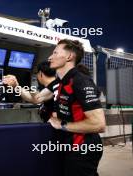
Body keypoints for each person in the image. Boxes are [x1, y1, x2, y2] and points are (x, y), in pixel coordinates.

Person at [48, 39, 106, 176]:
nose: (50, 57)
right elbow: (37, 98)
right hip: (71, 146)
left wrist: (61, 124)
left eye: (55, 52)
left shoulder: (80, 80)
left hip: (83, 147)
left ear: (69, 57)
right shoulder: (63, 82)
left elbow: (99, 124)